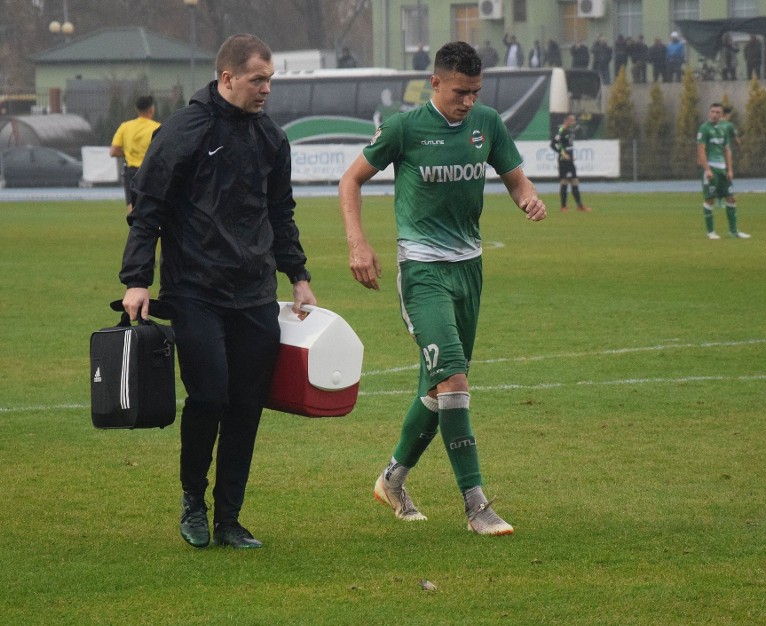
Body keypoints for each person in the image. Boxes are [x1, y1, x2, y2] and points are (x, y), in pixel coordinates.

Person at [338, 41, 547, 536]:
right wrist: (357, 244)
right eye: (460, 92)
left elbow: (517, 181)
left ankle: (392, 480)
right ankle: (477, 505)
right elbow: (351, 180)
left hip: (470, 270)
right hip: (423, 271)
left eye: (476, 92)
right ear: (435, 83)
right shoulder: (405, 128)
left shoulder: (488, 125)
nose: (469, 101)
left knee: (437, 388)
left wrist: (529, 197)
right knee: (453, 381)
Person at [120, 34, 317, 550]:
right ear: (227, 78)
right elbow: (149, 209)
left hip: (254, 294)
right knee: (209, 396)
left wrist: (297, 275)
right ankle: (193, 501)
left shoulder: (272, 139)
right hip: (195, 291)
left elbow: (281, 215)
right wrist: (137, 279)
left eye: (270, 80)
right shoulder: (184, 130)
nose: (266, 89)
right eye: (258, 79)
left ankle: (230, 517)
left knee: (247, 407)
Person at [696, 102, 750, 240]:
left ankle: (734, 232)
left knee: (731, 198)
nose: (714, 114)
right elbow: (700, 150)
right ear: (709, 113)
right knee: (710, 199)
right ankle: (711, 232)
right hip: (711, 168)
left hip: (722, 169)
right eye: (712, 112)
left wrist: (730, 170)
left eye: (717, 112)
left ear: (722, 115)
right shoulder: (704, 128)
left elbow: (727, 150)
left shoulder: (723, 129)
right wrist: (707, 169)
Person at [109, 95, 160, 215]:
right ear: (151, 109)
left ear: (137, 110)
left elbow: (113, 151)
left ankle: (135, 232)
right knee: (152, 208)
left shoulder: (125, 126)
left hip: (132, 173)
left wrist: (127, 152)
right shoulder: (157, 127)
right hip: (150, 172)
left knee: (132, 209)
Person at [550, 113, 590, 213]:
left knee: (575, 181)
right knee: (564, 182)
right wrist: (562, 154)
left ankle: (580, 205)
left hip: (570, 161)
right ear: (567, 121)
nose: (574, 122)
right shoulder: (561, 130)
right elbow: (553, 144)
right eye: (572, 120)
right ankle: (563, 206)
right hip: (563, 162)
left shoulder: (570, 131)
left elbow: (567, 146)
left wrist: (571, 155)